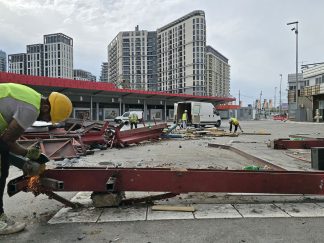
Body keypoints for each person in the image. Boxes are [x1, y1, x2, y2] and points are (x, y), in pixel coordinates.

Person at [0, 83, 73, 235]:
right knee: (1, 170)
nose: (46, 121)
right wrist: (27, 155)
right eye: (48, 119)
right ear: (46, 108)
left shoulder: (31, 96)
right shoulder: (31, 109)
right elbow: (6, 141)